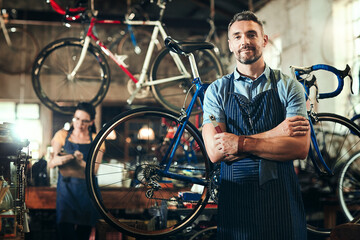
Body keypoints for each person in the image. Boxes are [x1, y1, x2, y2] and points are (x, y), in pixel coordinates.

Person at [202, 11, 311, 240]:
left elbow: (299, 149)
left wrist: (238, 143)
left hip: (281, 201)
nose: (245, 41)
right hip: (235, 203)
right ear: (230, 44)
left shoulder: (290, 88)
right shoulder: (217, 91)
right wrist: (276, 133)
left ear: (264, 40)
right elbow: (215, 152)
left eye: (252, 34)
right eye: (238, 36)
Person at [48, 102, 103, 240]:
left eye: (85, 121)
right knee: (65, 233)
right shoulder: (61, 135)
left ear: (91, 122)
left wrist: (80, 162)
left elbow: (94, 170)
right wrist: (69, 158)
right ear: (73, 118)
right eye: (77, 119)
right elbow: (52, 163)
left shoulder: (98, 139)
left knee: (83, 236)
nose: (80, 124)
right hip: (66, 192)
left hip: (87, 192)